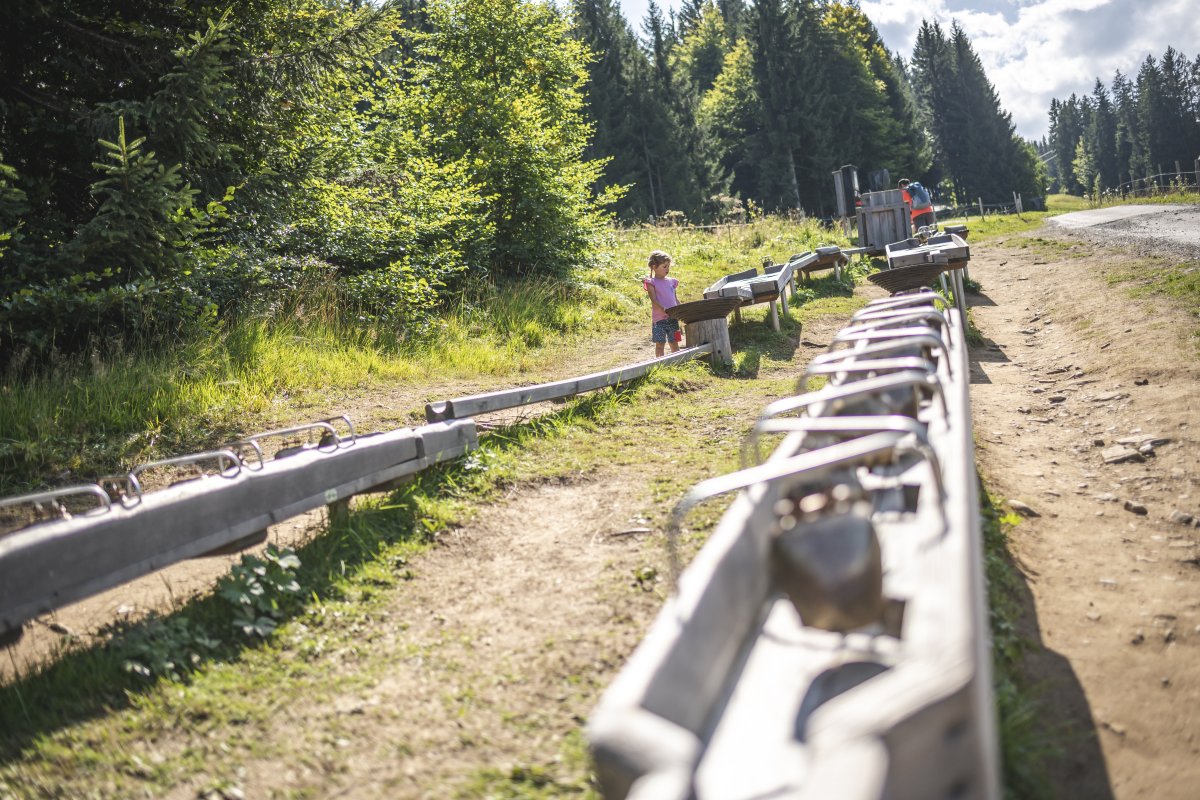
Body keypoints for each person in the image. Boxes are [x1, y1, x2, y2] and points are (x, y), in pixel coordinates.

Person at [643, 250, 681, 356]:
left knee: (674, 343)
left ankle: (678, 361)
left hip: (673, 318)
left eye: (668, 266)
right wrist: (664, 309)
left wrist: (681, 310)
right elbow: (654, 300)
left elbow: (675, 299)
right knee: (660, 344)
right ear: (654, 267)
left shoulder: (672, 282)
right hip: (659, 320)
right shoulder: (651, 282)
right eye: (664, 267)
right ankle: (661, 363)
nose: (667, 269)